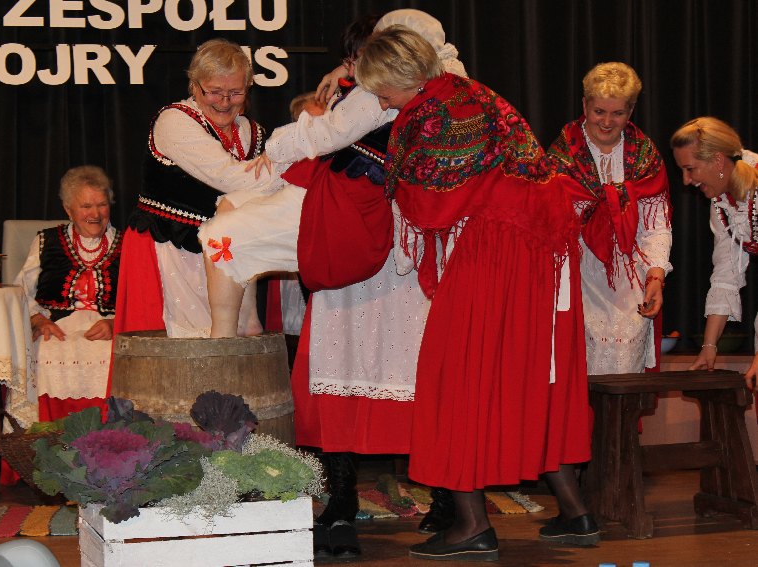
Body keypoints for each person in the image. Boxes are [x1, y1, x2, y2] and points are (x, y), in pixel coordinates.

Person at [199, 10, 466, 547]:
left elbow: (330, 132)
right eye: (356, 60)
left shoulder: (394, 89)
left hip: (390, 243)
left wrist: (277, 146)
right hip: (371, 239)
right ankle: (366, 499)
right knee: (367, 367)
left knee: (400, 367)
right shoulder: (422, 83)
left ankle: (397, 500)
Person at [355, 26, 597, 561]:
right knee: (538, 377)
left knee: (456, 376)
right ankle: (576, 512)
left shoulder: (433, 112)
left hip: (499, 246)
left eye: (382, 90)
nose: (381, 102)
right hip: (546, 246)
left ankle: (470, 525)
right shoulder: (475, 94)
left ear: (401, 76)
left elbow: (428, 204)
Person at [113, 38, 283, 345]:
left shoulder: (252, 131)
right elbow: (230, 178)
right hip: (169, 247)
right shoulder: (175, 121)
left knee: (232, 343)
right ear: (195, 86)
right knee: (178, 344)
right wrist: (292, 171)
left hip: (224, 255)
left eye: (235, 92)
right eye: (214, 92)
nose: (225, 102)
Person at [547, 62, 672, 375]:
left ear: (631, 111)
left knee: (624, 377)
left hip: (630, 286)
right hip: (576, 281)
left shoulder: (644, 155)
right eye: (599, 111)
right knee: (577, 376)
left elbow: (656, 226)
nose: (606, 121)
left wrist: (655, 277)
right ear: (584, 105)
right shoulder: (562, 156)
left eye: (617, 113)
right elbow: (548, 226)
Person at [15, 165, 122, 421]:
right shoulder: (46, 241)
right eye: (86, 206)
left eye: (102, 205)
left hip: (109, 331)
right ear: (68, 210)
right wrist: (37, 320)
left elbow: (142, 300)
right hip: (55, 328)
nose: (95, 214)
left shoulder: (128, 243)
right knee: (45, 350)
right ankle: (46, 436)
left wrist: (115, 324)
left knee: (113, 355)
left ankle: (108, 438)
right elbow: (20, 292)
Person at [671, 116, 758, 389]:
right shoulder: (722, 204)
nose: (686, 180)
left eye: (690, 169)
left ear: (718, 161)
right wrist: (709, 346)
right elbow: (725, 275)